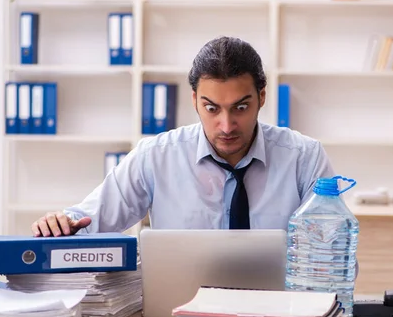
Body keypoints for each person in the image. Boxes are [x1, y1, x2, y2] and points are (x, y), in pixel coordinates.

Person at [31, 36, 334, 237]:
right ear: (194, 100)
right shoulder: (156, 156)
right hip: (178, 316)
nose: (226, 125)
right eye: (211, 108)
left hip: (279, 316)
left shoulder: (304, 159)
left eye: (240, 107)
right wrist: (60, 224)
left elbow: (335, 256)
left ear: (262, 97)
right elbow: (89, 220)